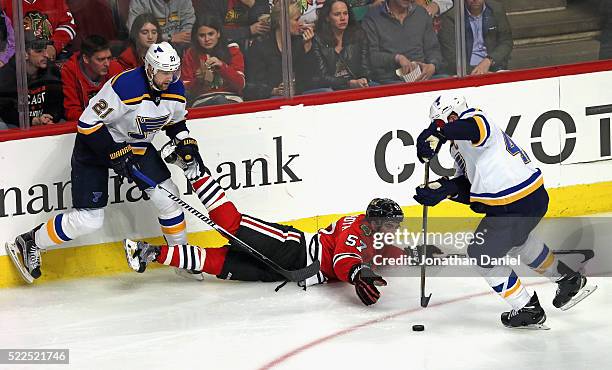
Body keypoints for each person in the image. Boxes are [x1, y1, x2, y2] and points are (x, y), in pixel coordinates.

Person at [6, 42, 203, 284]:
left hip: (136, 147)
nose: (170, 77)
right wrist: (113, 151)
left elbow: (175, 122)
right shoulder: (125, 86)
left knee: (168, 198)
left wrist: (184, 141)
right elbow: (87, 124)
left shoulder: (174, 87)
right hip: (96, 147)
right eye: (164, 72)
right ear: (150, 69)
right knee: (89, 219)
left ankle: (181, 257)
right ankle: (30, 242)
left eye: (173, 71)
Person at [124, 144, 406, 306]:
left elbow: (392, 254)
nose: (394, 230)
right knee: (230, 224)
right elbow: (346, 258)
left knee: (217, 264)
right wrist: (358, 273)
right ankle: (195, 170)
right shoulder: (355, 228)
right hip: (292, 249)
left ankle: (148, 252)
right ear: (375, 221)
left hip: (289, 272)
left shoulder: (377, 241)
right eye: (391, 224)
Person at [413, 95, 596, 328]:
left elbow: (471, 128)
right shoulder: (456, 147)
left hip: (513, 203)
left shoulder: (477, 118)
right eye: (439, 122)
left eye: (446, 120)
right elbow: (471, 189)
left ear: (456, 113)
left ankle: (527, 308)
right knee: (517, 241)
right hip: (526, 201)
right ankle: (569, 279)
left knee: (481, 253)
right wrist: (444, 189)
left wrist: (439, 132)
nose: (444, 125)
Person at [243, 1, 321, 100]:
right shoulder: (260, 45)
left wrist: (308, 47)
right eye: (296, 19)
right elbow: (252, 86)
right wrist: (273, 90)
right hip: (270, 97)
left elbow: (312, 79)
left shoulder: (301, 42)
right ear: (282, 21)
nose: (301, 23)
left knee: (325, 92)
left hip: (298, 94)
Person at [361, 0, 443, 84]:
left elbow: (433, 49)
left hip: (423, 77)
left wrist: (433, 66)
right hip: (390, 81)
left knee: (448, 81)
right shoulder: (372, 18)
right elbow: (372, 57)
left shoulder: (421, 13)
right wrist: (397, 58)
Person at [0, 30, 64, 127]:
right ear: (24, 54)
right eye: (39, 51)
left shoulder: (52, 70)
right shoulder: (6, 76)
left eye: (45, 49)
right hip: (16, 126)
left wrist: (49, 117)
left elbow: (57, 103)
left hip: (45, 122)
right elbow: (6, 111)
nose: (46, 55)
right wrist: (32, 121)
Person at [181, 15, 245, 107]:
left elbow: (240, 84)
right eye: (202, 35)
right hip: (202, 101)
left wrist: (222, 67)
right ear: (196, 36)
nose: (207, 39)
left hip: (231, 99)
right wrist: (199, 80)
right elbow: (184, 89)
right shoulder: (191, 54)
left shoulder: (232, 49)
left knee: (220, 101)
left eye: (211, 34)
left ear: (218, 33)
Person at [437, 0, 513, 75]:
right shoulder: (450, 17)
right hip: (464, 72)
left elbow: (506, 42)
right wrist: (478, 72)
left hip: (493, 66)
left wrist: (489, 60)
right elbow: (450, 58)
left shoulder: (496, 9)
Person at [61, 35, 123, 121]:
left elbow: (126, 102)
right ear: (86, 58)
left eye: (109, 58)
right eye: (100, 59)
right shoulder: (70, 71)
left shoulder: (115, 68)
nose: (107, 64)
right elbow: (72, 112)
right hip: (85, 126)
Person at [312, 0, 371, 90]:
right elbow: (322, 77)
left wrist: (364, 79)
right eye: (337, 14)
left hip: (357, 84)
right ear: (327, 18)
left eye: (345, 13)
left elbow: (365, 67)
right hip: (331, 88)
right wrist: (348, 83)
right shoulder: (318, 40)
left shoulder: (358, 35)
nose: (343, 18)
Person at [2, 0, 77, 61]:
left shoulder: (56, 1)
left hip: (50, 54)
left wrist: (54, 47)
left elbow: (68, 25)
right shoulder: (5, 2)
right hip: (18, 59)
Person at [193, 0, 271, 51]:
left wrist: (252, 4)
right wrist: (249, 30)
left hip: (251, 46)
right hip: (221, 47)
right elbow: (214, 31)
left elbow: (264, 21)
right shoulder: (211, 2)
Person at [127, 0, 195, 55]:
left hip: (179, 48)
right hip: (150, 50)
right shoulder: (141, 1)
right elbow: (134, 30)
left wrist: (183, 38)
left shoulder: (184, 1)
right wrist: (169, 38)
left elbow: (190, 27)